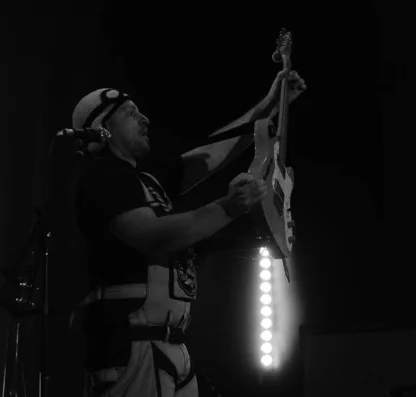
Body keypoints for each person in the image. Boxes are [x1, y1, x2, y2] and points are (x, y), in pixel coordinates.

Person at [72, 69, 306, 397]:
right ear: (102, 130)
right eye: (130, 113)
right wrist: (228, 207)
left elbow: (212, 152)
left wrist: (269, 105)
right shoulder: (103, 177)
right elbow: (152, 236)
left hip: (169, 345)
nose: (145, 118)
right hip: (135, 346)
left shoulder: (147, 181)